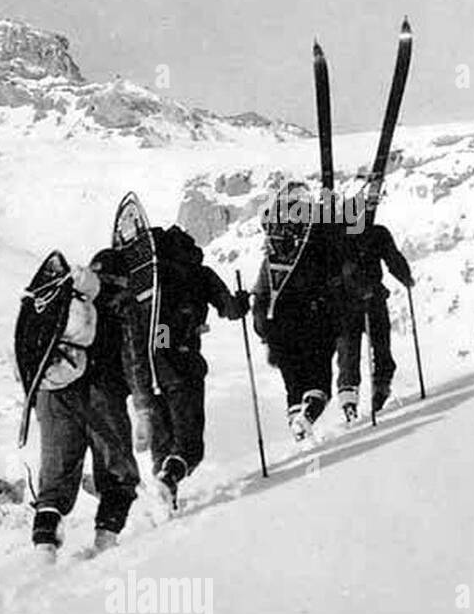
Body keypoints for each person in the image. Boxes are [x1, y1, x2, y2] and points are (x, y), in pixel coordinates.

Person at [114, 225, 249, 509]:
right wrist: (242, 302)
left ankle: (166, 497)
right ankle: (169, 478)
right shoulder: (198, 274)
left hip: (148, 371)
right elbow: (231, 310)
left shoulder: (147, 277)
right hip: (183, 365)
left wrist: (161, 346)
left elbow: (153, 326)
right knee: (189, 445)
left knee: (162, 442)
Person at [31, 254, 139, 558]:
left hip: (51, 392)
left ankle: (44, 556)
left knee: (53, 483)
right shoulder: (122, 306)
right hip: (100, 397)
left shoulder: (67, 302)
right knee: (119, 474)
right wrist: (144, 404)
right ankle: (105, 547)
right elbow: (135, 358)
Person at [251, 181, 343, 442]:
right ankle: (308, 416)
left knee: (293, 382)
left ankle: (298, 425)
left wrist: (263, 331)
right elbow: (332, 279)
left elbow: (260, 296)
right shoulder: (314, 247)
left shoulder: (271, 256)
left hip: (277, 326)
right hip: (312, 320)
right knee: (319, 380)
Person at [335, 214, 414, 419]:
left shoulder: (341, 235)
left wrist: (404, 275)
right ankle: (373, 388)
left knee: (354, 350)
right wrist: (404, 276)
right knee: (364, 349)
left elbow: (392, 259)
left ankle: (358, 393)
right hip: (359, 302)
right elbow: (393, 259)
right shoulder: (375, 233)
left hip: (356, 302)